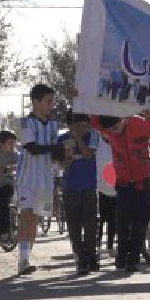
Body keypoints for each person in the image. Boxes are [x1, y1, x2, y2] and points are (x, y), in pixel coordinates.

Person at [91, 109, 150, 274]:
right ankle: (122, 254)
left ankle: (133, 258)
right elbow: (92, 116)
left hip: (144, 180)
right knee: (122, 221)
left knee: (140, 222)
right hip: (123, 181)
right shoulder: (106, 127)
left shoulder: (139, 123)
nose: (115, 132)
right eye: (110, 131)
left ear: (123, 118)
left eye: (117, 126)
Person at [14, 84, 63, 276]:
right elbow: (33, 148)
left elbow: (53, 154)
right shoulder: (25, 123)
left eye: (52, 101)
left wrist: (62, 156)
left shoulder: (54, 125)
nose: (51, 105)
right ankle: (23, 260)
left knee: (34, 219)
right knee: (26, 216)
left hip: (45, 178)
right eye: (48, 101)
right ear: (36, 102)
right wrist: (57, 148)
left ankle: (27, 255)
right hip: (27, 177)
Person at [58, 112, 100, 275]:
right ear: (70, 126)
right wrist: (65, 160)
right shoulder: (62, 139)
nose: (82, 129)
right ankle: (81, 259)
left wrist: (78, 139)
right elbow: (60, 162)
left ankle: (91, 256)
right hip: (70, 188)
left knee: (90, 226)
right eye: (77, 126)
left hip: (89, 187)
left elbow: (88, 155)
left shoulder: (92, 136)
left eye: (84, 126)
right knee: (74, 227)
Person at [95, 130, 117, 254]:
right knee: (101, 218)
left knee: (112, 219)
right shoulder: (98, 142)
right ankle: (97, 245)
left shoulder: (116, 142)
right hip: (100, 187)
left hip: (115, 187)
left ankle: (110, 246)